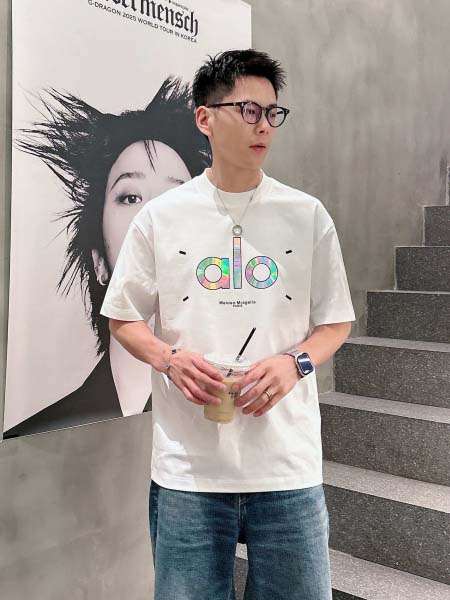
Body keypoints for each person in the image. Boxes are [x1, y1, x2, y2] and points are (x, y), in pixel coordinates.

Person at [101, 49, 356, 599]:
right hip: (189, 470)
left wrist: (295, 363)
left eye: (272, 113)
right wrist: (168, 359)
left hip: (287, 466)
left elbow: (335, 322)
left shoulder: (306, 214)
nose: (263, 125)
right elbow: (122, 315)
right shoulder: (162, 217)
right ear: (205, 118)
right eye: (248, 110)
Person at [4, 77, 210, 438]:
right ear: (98, 260)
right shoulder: (41, 433)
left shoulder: (227, 396)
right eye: (130, 197)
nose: (153, 217)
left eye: (175, 197)